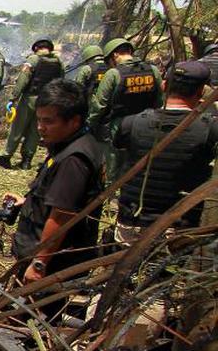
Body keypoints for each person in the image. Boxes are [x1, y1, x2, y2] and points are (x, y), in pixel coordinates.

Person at [1, 79, 104, 288]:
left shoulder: (74, 160)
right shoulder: (68, 146)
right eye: (38, 120)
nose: (40, 128)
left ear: (74, 121)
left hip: (54, 264)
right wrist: (28, 203)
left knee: (30, 317)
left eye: (48, 122)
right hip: (45, 256)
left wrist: (40, 263)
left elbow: (62, 216)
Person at [111, 61, 218, 243]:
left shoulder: (130, 123)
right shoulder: (211, 130)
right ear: (201, 92)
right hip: (178, 231)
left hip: (131, 223)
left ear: (164, 85)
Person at [88, 37, 164, 175]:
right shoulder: (153, 70)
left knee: (114, 163)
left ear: (115, 55)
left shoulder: (113, 73)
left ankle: (112, 190)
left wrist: (89, 124)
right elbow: (159, 100)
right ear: (130, 51)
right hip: (147, 123)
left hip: (119, 124)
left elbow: (99, 105)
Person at [0, 39, 65, 169]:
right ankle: (27, 160)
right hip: (47, 101)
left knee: (17, 127)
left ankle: (5, 156)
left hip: (30, 98)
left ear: (37, 48)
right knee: (35, 130)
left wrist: (13, 97)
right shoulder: (58, 62)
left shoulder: (33, 59)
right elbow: (61, 82)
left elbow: (23, 79)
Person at [71, 44, 108, 109]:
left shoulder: (87, 68)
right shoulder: (111, 67)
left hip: (91, 105)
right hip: (107, 103)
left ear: (87, 57)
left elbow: (78, 87)